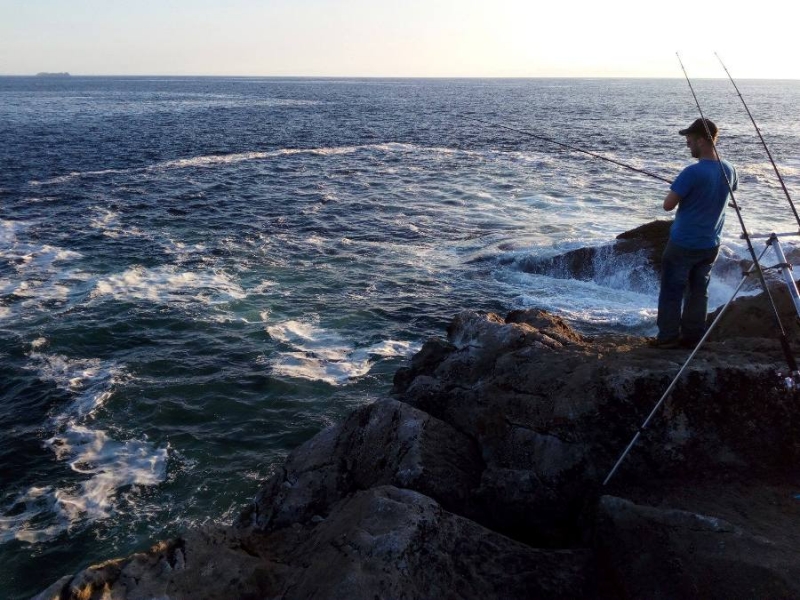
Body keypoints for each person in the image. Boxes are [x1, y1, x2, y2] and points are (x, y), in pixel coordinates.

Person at [652, 117, 738, 349]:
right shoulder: (729, 169)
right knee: (699, 291)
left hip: (683, 242)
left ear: (701, 140)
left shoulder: (691, 172)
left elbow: (668, 205)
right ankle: (692, 337)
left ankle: (668, 338)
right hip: (711, 243)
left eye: (689, 139)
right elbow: (721, 191)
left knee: (672, 291)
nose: (687, 143)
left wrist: (682, 188)